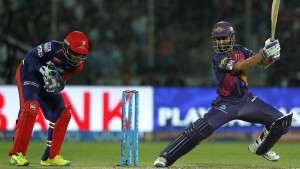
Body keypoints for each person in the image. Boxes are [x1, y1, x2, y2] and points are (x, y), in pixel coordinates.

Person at [153, 21, 293, 167]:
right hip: (226, 104)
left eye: (223, 37)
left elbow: (262, 63)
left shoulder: (241, 50)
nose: (220, 42)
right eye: (217, 39)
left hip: (246, 100)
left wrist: (272, 55)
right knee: (200, 130)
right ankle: (165, 157)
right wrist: (264, 52)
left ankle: (261, 146)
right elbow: (242, 66)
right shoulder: (218, 58)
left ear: (231, 36)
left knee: (281, 122)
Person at [9, 31, 89, 166]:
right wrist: (43, 70)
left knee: (62, 114)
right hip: (28, 74)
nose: (78, 57)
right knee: (30, 108)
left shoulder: (78, 66)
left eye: (81, 54)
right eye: (75, 53)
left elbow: (61, 80)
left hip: (46, 82)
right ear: (66, 47)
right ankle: (17, 154)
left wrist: (57, 85)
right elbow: (29, 59)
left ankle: (50, 157)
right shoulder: (52, 47)